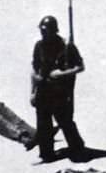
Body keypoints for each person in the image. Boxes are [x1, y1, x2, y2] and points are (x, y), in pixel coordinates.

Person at [31, 15, 86, 162]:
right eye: (41, 30)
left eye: (46, 30)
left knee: (64, 120)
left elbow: (80, 67)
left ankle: (77, 146)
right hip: (43, 89)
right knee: (43, 122)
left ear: (53, 30)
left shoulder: (66, 46)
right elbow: (35, 70)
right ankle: (46, 153)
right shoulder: (39, 46)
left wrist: (61, 74)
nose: (43, 33)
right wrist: (32, 92)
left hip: (60, 91)